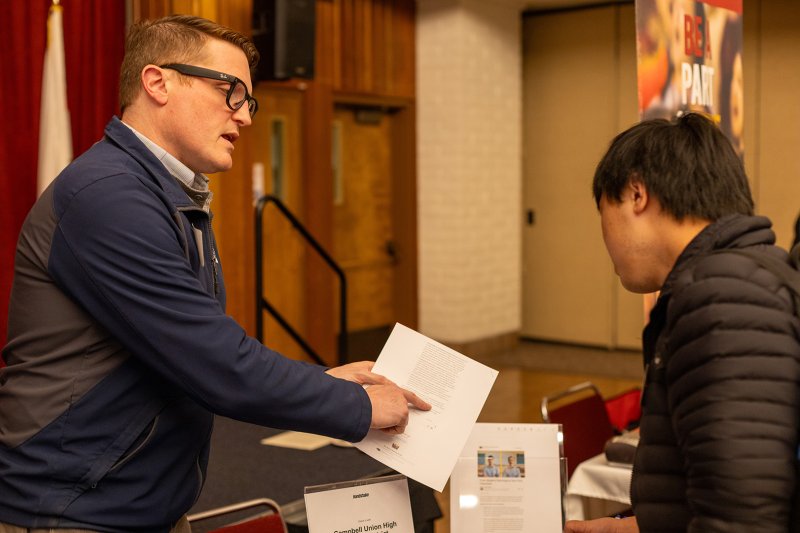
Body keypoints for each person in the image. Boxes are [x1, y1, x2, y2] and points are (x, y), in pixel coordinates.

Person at [0, 15, 429, 532]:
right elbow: (215, 362)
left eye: (248, 101)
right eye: (230, 92)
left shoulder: (168, 192)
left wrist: (324, 379)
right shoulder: (108, 195)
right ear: (157, 82)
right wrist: (354, 405)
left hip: (134, 502)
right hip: (73, 508)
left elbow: (195, 349)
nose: (244, 116)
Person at [565, 113, 800, 533]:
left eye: (603, 211)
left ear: (637, 194)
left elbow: (741, 519)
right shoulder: (746, 275)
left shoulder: (723, 294)